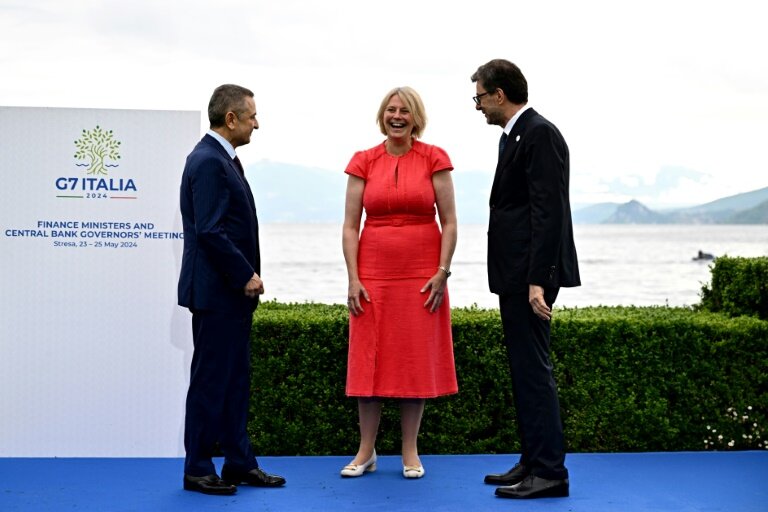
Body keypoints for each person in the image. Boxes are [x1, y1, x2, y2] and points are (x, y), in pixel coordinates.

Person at [470, 60, 580, 499]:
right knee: (523, 369)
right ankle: (533, 460)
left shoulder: (539, 134)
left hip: (530, 275)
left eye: (479, 97)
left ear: (499, 94)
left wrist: (539, 279)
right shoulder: (514, 136)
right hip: (515, 272)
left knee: (534, 370)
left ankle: (550, 472)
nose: (476, 105)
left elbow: (548, 210)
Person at [341, 86, 458, 480]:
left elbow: (450, 222)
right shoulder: (363, 161)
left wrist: (442, 273)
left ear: (415, 117)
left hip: (422, 276)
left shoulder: (435, 158)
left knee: (413, 362)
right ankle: (366, 451)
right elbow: (349, 225)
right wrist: (353, 278)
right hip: (373, 275)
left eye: (404, 110)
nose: (396, 116)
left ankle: (410, 450)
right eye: (391, 109)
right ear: (382, 115)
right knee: (368, 364)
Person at [178, 84, 286, 495]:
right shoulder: (207, 161)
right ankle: (198, 468)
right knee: (210, 381)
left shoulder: (224, 160)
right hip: (217, 292)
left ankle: (239, 463)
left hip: (230, 295)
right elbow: (210, 230)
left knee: (235, 380)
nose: (257, 123)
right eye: (252, 115)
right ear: (231, 119)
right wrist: (245, 274)